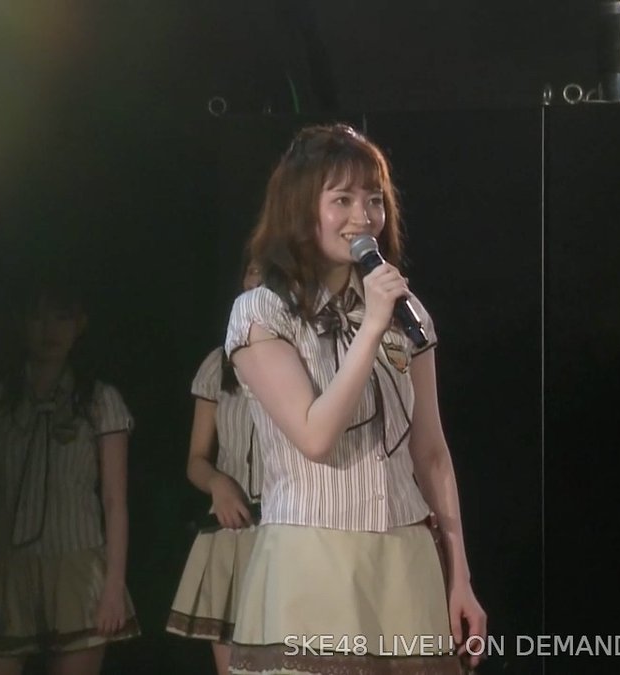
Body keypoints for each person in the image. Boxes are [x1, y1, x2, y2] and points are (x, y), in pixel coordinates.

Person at [223, 123, 486, 674]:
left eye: (374, 200)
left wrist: (459, 575)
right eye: (342, 199)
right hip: (312, 557)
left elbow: (431, 453)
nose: (363, 217)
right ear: (300, 208)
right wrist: (370, 329)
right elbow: (315, 436)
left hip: (406, 558)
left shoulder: (405, 315)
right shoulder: (261, 312)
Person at [0, 273, 139, 675]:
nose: (49, 330)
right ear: (21, 323)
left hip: (77, 569)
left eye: (61, 317)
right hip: (4, 568)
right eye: (38, 317)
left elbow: (115, 501)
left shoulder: (100, 400)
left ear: (80, 325)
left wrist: (113, 587)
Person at [166, 253, 263, 675]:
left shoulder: (311, 356)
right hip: (231, 534)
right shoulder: (219, 363)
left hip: (288, 531)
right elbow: (196, 460)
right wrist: (219, 484)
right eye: (254, 270)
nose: (260, 280)